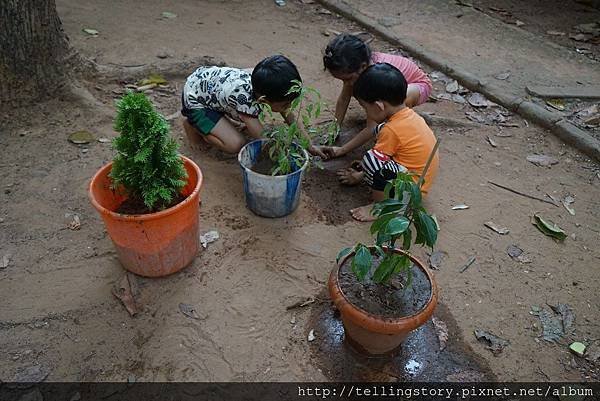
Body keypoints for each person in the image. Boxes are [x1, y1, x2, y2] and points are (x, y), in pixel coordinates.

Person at [336, 63, 439, 222]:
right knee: (377, 147)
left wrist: (365, 168)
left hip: (408, 193)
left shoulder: (391, 130)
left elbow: (377, 163)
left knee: (371, 159)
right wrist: (362, 174)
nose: (366, 112)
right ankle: (379, 188)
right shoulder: (407, 117)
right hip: (417, 183)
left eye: (365, 107)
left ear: (379, 106)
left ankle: (381, 207)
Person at [181, 55, 326, 157]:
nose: (289, 107)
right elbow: (263, 139)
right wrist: (284, 157)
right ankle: (194, 127)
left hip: (208, 86)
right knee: (236, 144)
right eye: (285, 104)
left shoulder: (262, 79)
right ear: (263, 99)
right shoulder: (245, 102)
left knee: (246, 123)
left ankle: (220, 121)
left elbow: (289, 115)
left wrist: (310, 146)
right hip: (196, 101)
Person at [321, 34, 432, 159]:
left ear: (363, 66)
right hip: (391, 88)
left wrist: (342, 150)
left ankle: (399, 124)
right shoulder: (357, 69)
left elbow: (371, 128)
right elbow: (343, 98)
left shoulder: (373, 76)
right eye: (342, 80)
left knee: (392, 111)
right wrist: (334, 130)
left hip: (418, 86)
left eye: (348, 79)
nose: (347, 84)